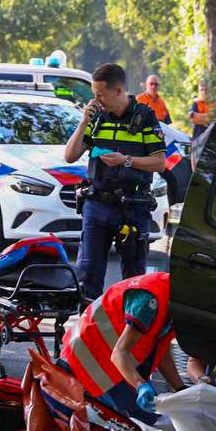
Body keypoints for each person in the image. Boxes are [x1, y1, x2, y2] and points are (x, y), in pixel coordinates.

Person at [65, 63, 167, 299]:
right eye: (94, 94)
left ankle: (127, 322)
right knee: (88, 277)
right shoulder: (96, 117)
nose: (96, 100)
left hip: (132, 208)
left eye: (100, 94)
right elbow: (70, 156)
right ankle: (88, 321)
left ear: (119, 90)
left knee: (133, 280)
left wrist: (126, 160)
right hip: (96, 206)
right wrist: (83, 122)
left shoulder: (145, 117)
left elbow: (159, 162)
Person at [60, 271, 187, 419]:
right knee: (141, 421)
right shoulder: (149, 303)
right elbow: (119, 353)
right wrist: (140, 385)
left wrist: (181, 390)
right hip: (88, 360)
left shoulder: (173, 299)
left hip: (110, 360)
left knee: (148, 416)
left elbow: (162, 353)